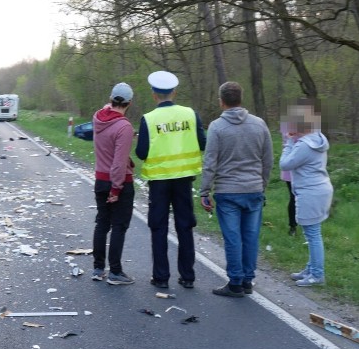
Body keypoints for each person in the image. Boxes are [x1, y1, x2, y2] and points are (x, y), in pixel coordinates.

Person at [198, 82, 273, 297]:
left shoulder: (217, 127)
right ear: (241, 98)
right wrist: (262, 183)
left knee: (232, 238)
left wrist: (204, 191)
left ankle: (235, 282)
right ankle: (248, 280)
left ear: (221, 101)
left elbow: (211, 161)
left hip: (228, 190)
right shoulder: (259, 124)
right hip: (253, 189)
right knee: (250, 236)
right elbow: (268, 159)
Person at [135, 71, 206, 289]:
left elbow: (141, 152)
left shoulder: (149, 119)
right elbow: (202, 143)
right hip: (184, 179)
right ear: (174, 92)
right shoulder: (191, 114)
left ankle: (161, 277)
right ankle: (187, 276)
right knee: (185, 226)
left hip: (159, 181)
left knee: (159, 227)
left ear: (154, 94)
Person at [280, 100, 333, 287]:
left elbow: (285, 164)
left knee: (312, 234)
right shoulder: (317, 137)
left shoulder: (304, 145)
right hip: (319, 188)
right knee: (312, 232)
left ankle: (317, 275)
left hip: (311, 191)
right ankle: (311, 268)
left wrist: (288, 142)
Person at [90, 82, 136, 285]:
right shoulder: (124, 127)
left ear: (110, 99)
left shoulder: (98, 118)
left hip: (100, 179)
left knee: (102, 223)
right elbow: (118, 163)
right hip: (119, 183)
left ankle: (98, 268)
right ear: (129, 103)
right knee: (119, 226)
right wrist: (116, 188)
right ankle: (115, 272)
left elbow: (105, 109)